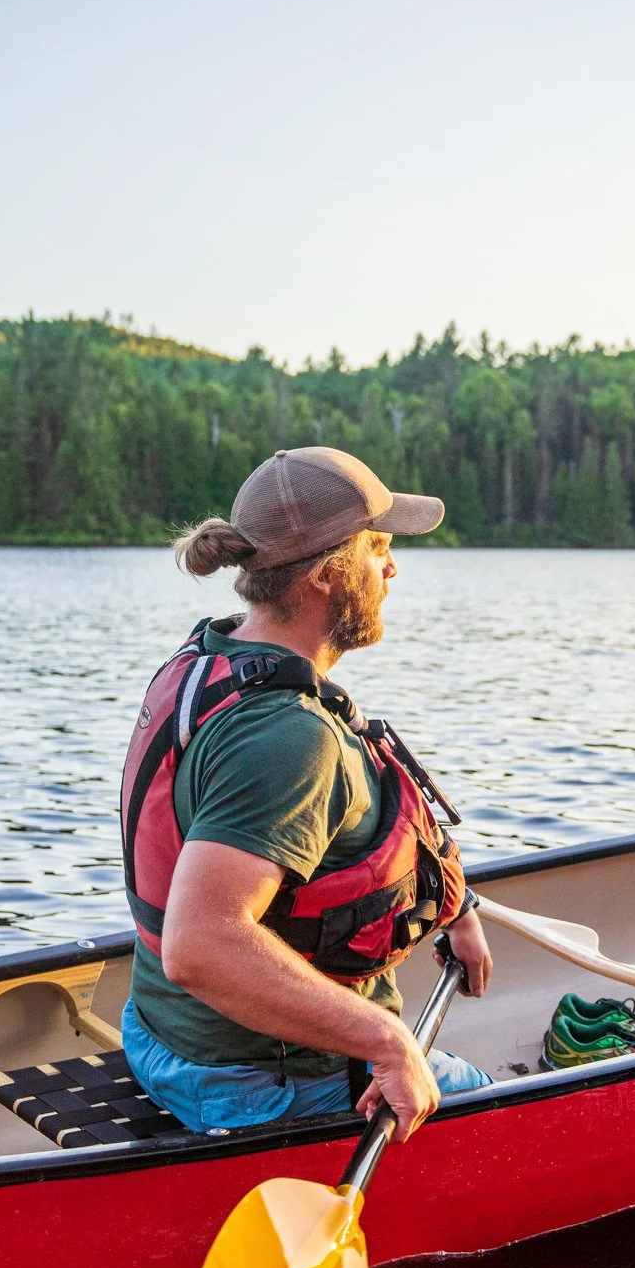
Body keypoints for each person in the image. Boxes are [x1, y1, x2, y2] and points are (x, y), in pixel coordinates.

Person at [118, 445, 494, 1140]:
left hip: (158, 1031)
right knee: (501, 1103)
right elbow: (200, 945)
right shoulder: (287, 738)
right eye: (378, 547)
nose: (392, 567)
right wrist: (386, 1041)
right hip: (257, 1077)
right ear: (327, 574)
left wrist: (454, 906)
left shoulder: (212, 658)